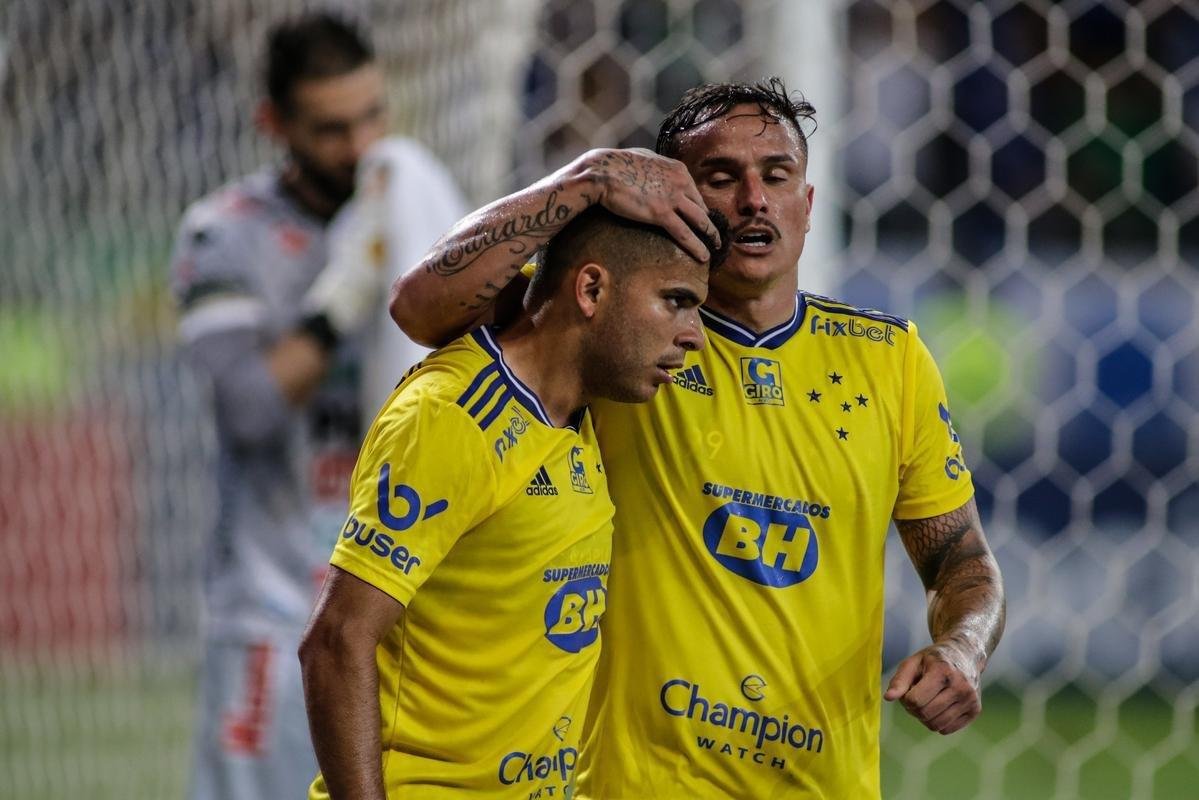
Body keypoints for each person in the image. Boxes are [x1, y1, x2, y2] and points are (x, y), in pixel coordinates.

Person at [388, 78, 1006, 798]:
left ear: (806, 207)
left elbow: (963, 565)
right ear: (674, 202)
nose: (753, 200)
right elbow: (419, 305)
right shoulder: (611, 328)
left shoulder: (888, 358)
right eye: (721, 177)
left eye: (776, 176)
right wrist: (586, 181)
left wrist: (961, 649)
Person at [298, 205, 725, 798]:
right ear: (592, 288)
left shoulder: (580, 409)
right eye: (675, 301)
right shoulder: (450, 419)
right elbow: (336, 640)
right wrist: (586, 180)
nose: (693, 336)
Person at [169, 12, 463, 799]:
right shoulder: (224, 237)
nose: (362, 144)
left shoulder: (414, 222)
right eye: (332, 128)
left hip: (390, 598)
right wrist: (341, 300)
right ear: (274, 124)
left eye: (373, 115)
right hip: (271, 608)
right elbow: (249, 412)